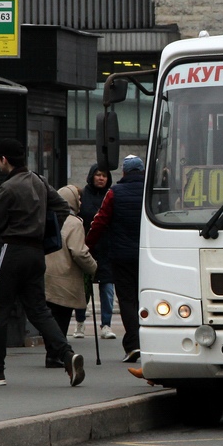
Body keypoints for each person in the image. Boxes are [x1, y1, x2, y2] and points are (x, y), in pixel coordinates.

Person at [0, 138, 84, 387]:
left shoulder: (8, 188)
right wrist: (45, 231)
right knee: (40, 310)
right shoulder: (39, 181)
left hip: (12, 250)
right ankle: (67, 355)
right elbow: (63, 207)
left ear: (4, 160)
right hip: (36, 253)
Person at [86, 155, 146, 363]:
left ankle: (133, 345)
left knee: (127, 299)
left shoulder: (114, 193)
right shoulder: (151, 191)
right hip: (148, 256)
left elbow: (99, 221)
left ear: (124, 173)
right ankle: (149, 342)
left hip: (121, 256)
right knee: (145, 298)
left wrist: (88, 245)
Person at [43, 185, 98, 367]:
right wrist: (93, 267)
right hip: (65, 276)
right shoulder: (74, 222)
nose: (81, 202)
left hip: (46, 274)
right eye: (78, 198)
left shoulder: (48, 217)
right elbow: (79, 252)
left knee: (50, 315)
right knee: (62, 315)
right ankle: (56, 354)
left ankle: (52, 351)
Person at [71, 164, 110, 339]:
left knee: (107, 286)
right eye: (98, 175)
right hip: (86, 247)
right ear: (91, 176)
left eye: (104, 175)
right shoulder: (83, 196)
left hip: (106, 248)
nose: (101, 178)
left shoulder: (111, 195)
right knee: (83, 287)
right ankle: (80, 323)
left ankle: (106, 325)